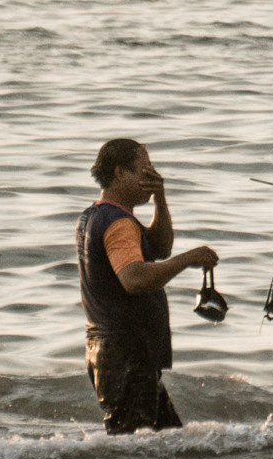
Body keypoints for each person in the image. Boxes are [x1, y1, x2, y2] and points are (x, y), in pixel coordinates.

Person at [76, 138, 218, 434]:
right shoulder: (119, 223)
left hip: (110, 349)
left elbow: (161, 247)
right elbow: (135, 279)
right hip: (124, 352)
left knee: (167, 437)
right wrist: (189, 258)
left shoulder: (97, 215)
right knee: (134, 446)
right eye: (144, 169)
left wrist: (160, 198)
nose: (151, 176)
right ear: (119, 174)